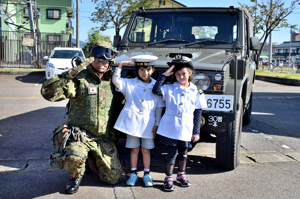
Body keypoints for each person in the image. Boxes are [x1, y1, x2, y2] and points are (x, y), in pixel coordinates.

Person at [41, 40, 123, 194]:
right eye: (97, 60)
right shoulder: (80, 80)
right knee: (74, 158)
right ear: (90, 60)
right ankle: (76, 176)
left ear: (110, 62)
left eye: (105, 61)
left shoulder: (112, 81)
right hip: (80, 136)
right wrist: (70, 74)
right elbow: (48, 93)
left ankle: (91, 161)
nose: (101, 64)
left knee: (113, 178)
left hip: (103, 138)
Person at [152, 55, 207, 191]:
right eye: (178, 74)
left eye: (184, 74)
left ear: (190, 73)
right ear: (174, 75)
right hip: (171, 127)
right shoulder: (169, 88)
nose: (181, 77)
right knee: (171, 153)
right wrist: (164, 75)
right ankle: (168, 177)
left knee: (183, 153)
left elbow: (198, 112)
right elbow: (156, 90)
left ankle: (181, 175)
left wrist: (196, 131)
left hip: (187, 128)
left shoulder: (196, 91)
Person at [112, 55, 164, 187]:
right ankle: (133, 173)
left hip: (149, 123)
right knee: (134, 149)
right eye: (141, 70)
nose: (144, 73)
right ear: (137, 71)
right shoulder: (130, 83)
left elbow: (158, 108)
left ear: (152, 70)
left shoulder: (156, 86)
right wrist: (120, 65)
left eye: (148, 69)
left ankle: (147, 174)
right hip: (132, 123)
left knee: (146, 150)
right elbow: (116, 81)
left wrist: (157, 124)